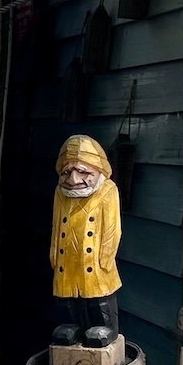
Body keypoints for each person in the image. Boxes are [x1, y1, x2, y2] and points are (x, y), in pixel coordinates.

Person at [49, 134, 123, 348]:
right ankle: (72, 326)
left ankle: (105, 326)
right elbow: (56, 224)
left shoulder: (107, 191)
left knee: (97, 296)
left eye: (82, 172)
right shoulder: (60, 193)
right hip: (67, 258)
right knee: (68, 297)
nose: (73, 179)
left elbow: (112, 229)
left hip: (95, 260)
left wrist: (105, 258)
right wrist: (54, 251)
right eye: (67, 172)